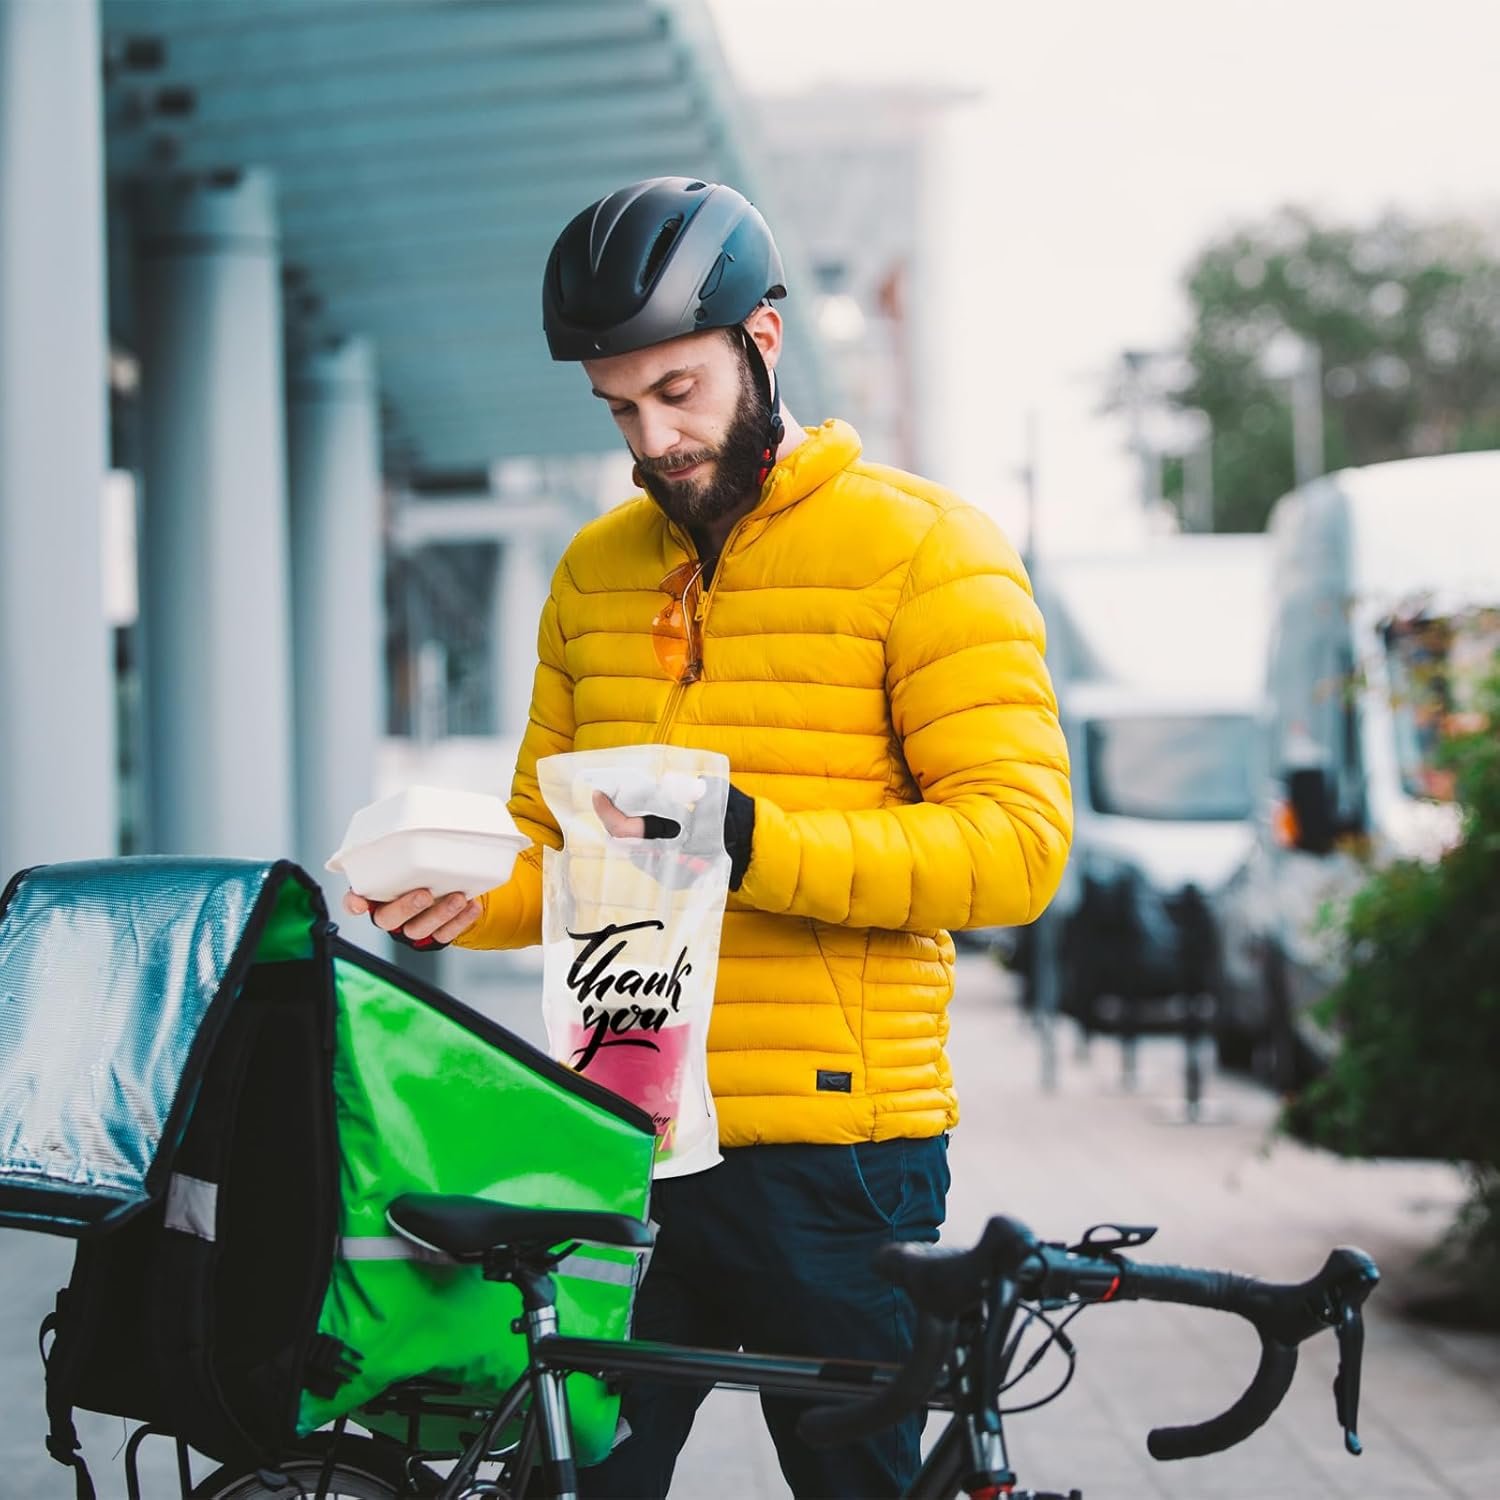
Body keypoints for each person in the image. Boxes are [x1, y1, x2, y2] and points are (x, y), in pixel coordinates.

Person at [344, 176, 1072, 1498]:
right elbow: (549, 850)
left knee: (859, 1486)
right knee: (568, 1482)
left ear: (764, 341)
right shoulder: (594, 568)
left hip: (838, 1156)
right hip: (625, 1129)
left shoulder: (926, 549)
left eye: (678, 390)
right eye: (620, 407)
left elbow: (1016, 851)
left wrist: (753, 840)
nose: (654, 436)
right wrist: (456, 894)